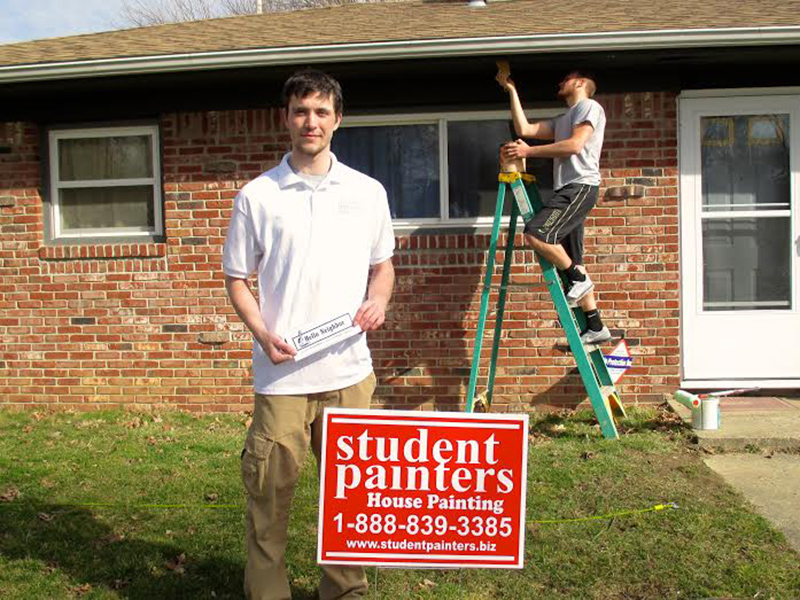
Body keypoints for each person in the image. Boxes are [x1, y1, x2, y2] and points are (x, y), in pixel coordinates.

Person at [223, 69, 395, 600]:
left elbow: (383, 266)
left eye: (321, 112)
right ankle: (268, 593)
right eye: (301, 111)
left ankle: (345, 591)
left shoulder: (367, 192)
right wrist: (260, 332)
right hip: (283, 377)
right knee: (269, 502)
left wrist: (380, 300)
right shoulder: (257, 195)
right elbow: (236, 279)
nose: (311, 122)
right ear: (286, 118)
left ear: (337, 120)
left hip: (350, 375)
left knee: (353, 502)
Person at [497, 68, 611, 344]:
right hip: (569, 189)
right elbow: (525, 129)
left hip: (580, 187)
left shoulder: (588, 107)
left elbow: (574, 146)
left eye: (566, 79)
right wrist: (511, 89)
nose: (560, 82)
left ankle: (576, 278)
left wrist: (528, 152)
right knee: (573, 256)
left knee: (537, 233)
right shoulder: (565, 119)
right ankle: (595, 325)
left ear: (581, 83)